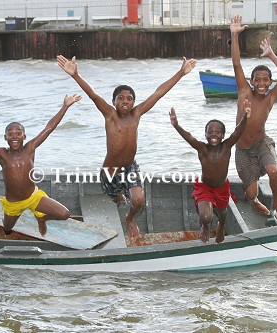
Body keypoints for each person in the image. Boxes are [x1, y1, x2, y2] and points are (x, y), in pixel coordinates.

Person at [57, 55, 197, 243]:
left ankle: (130, 218)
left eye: (129, 99)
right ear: (113, 102)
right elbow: (93, 95)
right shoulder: (110, 115)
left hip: (130, 167)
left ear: (133, 103)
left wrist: (181, 72)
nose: (125, 102)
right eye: (120, 98)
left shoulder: (136, 114)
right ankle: (119, 198)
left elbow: (158, 93)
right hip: (110, 170)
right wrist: (76, 75)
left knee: (138, 200)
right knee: (116, 197)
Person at [0, 94, 82, 236]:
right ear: (5, 137)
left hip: (33, 197)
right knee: (7, 230)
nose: (14, 136)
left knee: (64, 214)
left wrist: (65, 106)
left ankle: (41, 218)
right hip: (13, 203)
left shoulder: (30, 148)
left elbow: (49, 127)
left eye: (18, 133)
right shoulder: (2, 153)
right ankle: (16, 218)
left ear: (24, 137)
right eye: (10, 134)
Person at [230, 15, 277, 223]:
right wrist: (234, 35)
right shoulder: (244, 92)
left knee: (274, 170)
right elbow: (236, 63)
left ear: (270, 82)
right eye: (258, 80)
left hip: (261, 143)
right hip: (243, 150)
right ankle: (255, 199)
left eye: (266, 80)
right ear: (252, 82)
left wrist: (271, 54)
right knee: (250, 193)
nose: (262, 83)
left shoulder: (271, 97)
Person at [169, 99, 251, 243]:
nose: (214, 135)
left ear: (223, 135)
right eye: (210, 132)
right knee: (206, 217)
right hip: (205, 187)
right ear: (205, 134)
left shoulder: (227, 147)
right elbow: (189, 137)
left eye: (218, 132)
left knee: (222, 212)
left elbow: (238, 132)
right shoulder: (202, 149)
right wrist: (176, 125)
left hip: (221, 187)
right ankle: (205, 227)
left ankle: (221, 226)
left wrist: (245, 116)